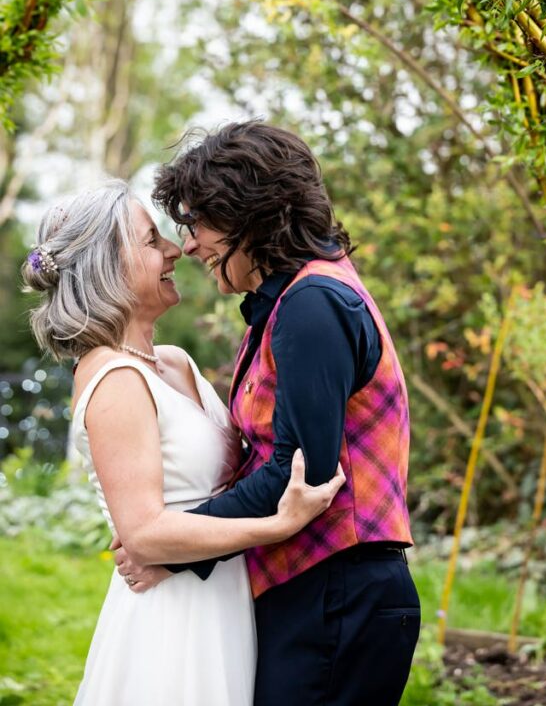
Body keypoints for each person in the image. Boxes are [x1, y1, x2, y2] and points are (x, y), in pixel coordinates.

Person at [117, 121, 421, 706]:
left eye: (198, 222)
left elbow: (299, 474)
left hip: (340, 596)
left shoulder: (313, 303)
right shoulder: (291, 301)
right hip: (315, 592)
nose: (190, 244)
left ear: (248, 216)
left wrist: (174, 549)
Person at [22, 179, 344, 706]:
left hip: (226, 600)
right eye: (152, 241)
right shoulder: (113, 379)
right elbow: (144, 535)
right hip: (173, 622)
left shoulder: (173, 361)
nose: (176, 249)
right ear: (107, 266)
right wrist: (280, 523)